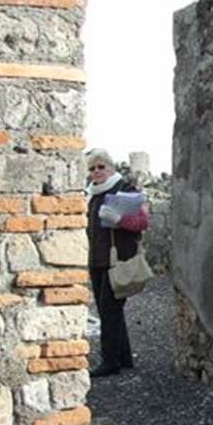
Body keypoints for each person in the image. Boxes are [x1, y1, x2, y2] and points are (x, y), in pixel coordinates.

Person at [85, 148, 149, 378]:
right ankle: (123, 357)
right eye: (92, 168)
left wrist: (119, 219)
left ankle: (110, 361)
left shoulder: (124, 190)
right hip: (98, 259)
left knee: (110, 310)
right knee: (107, 310)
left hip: (117, 259)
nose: (97, 171)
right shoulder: (92, 193)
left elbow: (142, 221)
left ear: (111, 168)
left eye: (101, 166)